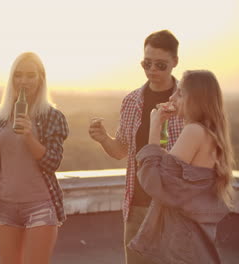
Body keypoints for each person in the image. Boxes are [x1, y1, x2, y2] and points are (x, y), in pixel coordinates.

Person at [88, 29, 184, 264]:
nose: (152, 70)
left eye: (160, 65)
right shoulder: (131, 101)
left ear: (175, 62)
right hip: (137, 206)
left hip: (176, 209)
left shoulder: (189, 101)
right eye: (146, 63)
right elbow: (121, 150)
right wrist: (103, 138)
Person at [128, 70, 234, 263]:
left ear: (196, 99)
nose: (172, 97)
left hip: (183, 242)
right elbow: (174, 173)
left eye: (180, 93)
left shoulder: (193, 131)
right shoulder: (208, 134)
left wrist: (155, 124)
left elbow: (158, 182)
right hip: (194, 240)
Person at [0, 52, 68, 264]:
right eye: (18, 75)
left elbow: (53, 162)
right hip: (4, 204)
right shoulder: (2, 115)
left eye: (30, 75)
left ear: (41, 78)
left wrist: (30, 136)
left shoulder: (52, 116)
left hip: (40, 204)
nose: (23, 81)